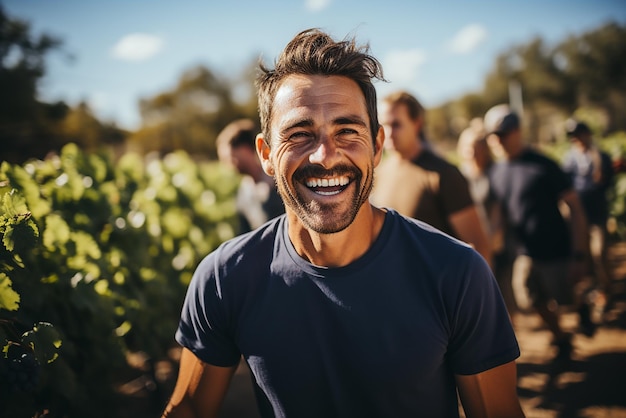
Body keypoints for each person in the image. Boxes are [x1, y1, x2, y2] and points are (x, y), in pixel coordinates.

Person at [162, 29, 524, 418]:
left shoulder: (456, 273)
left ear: (377, 146)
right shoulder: (224, 278)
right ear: (266, 155)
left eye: (347, 131)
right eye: (299, 134)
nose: (325, 155)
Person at [483, 104, 593, 362]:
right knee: (529, 298)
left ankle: (582, 305)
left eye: (503, 133)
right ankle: (562, 338)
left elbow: (575, 208)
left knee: (564, 296)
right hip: (524, 251)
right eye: (493, 135)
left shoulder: (543, 165)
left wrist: (580, 253)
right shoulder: (497, 172)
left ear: (518, 131)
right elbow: (499, 216)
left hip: (555, 248)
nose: (498, 140)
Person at [370, 91, 493, 266]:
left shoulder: (443, 174)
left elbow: (479, 248)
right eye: (384, 125)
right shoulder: (378, 171)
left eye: (396, 124)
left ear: (417, 124)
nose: (388, 133)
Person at [456, 122, 513, 311]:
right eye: (468, 148)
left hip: (497, 244)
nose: (472, 152)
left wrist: (495, 237)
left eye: (476, 147)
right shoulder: (460, 176)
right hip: (470, 245)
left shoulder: (494, 173)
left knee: (501, 297)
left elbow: (501, 208)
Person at [562, 119, 615, 305]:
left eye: (578, 135)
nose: (576, 139)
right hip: (579, 217)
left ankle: (606, 289)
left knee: (599, 252)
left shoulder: (601, 157)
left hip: (598, 215)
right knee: (583, 256)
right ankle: (590, 291)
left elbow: (606, 184)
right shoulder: (569, 159)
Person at [216, 118, 284, 233]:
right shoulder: (244, 193)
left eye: (231, 158)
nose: (229, 165)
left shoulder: (280, 183)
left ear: (245, 150)